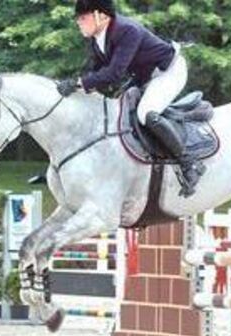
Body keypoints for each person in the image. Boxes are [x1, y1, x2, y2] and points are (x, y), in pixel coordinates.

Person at [56, 0, 204, 197]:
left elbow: (114, 73)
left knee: (146, 114)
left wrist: (78, 83)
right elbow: (94, 72)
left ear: (101, 15)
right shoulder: (97, 39)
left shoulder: (127, 30)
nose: (78, 22)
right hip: (145, 77)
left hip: (168, 72)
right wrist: (76, 87)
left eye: (83, 17)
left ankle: (190, 162)